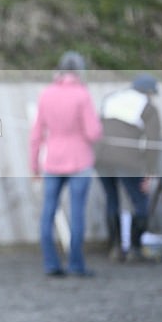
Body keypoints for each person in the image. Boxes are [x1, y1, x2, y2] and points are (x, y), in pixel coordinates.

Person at [29, 51, 102, 277]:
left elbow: (36, 134)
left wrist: (34, 165)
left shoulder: (46, 94)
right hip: (79, 161)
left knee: (48, 212)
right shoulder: (82, 95)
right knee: (77, 213)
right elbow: (93, 132)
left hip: (53, 161)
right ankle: (76, 264)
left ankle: (51, 263)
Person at [94, 73, 162, 262]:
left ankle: (116, 248)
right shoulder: (148, 107)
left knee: (112, 199)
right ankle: (135, 248)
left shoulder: (111, 98)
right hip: (127, 159)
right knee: (140, 201)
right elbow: (153, 141)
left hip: (100, 156)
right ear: (149, 92)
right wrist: (150, 171)